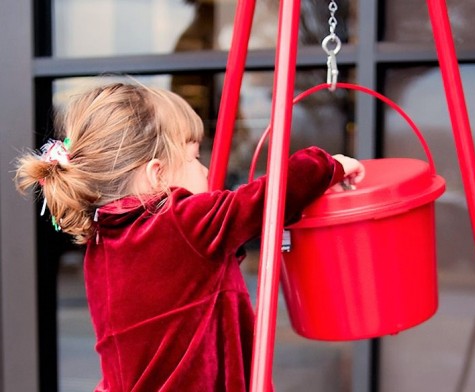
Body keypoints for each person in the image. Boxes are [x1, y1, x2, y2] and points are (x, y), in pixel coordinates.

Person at [14, 82, 365, 391]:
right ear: (158, 175)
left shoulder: (103, 242)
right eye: (195, 158)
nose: (207, 170)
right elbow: (261, 201)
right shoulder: (178, 222)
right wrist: (327, 165)